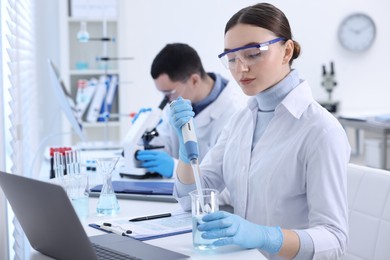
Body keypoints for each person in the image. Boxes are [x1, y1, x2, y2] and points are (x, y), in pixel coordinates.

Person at [169, 3, 350, 259]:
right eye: (231, 58)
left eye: (254, 53)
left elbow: (334, 240)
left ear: (287, 51)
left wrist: (267, 237)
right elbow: (191, 199)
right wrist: (186, 152)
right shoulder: (240, 121)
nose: (240, 69)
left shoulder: (321, 130)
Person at [135, 43, 246, 186]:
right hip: (179, 199)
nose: (166, 100)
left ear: (194, 80)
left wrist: (175, 169)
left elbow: (226, 182)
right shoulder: (178, 102)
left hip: (212, 204)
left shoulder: (234, 111)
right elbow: (165, 147)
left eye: (169, 93)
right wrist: (141, 132)